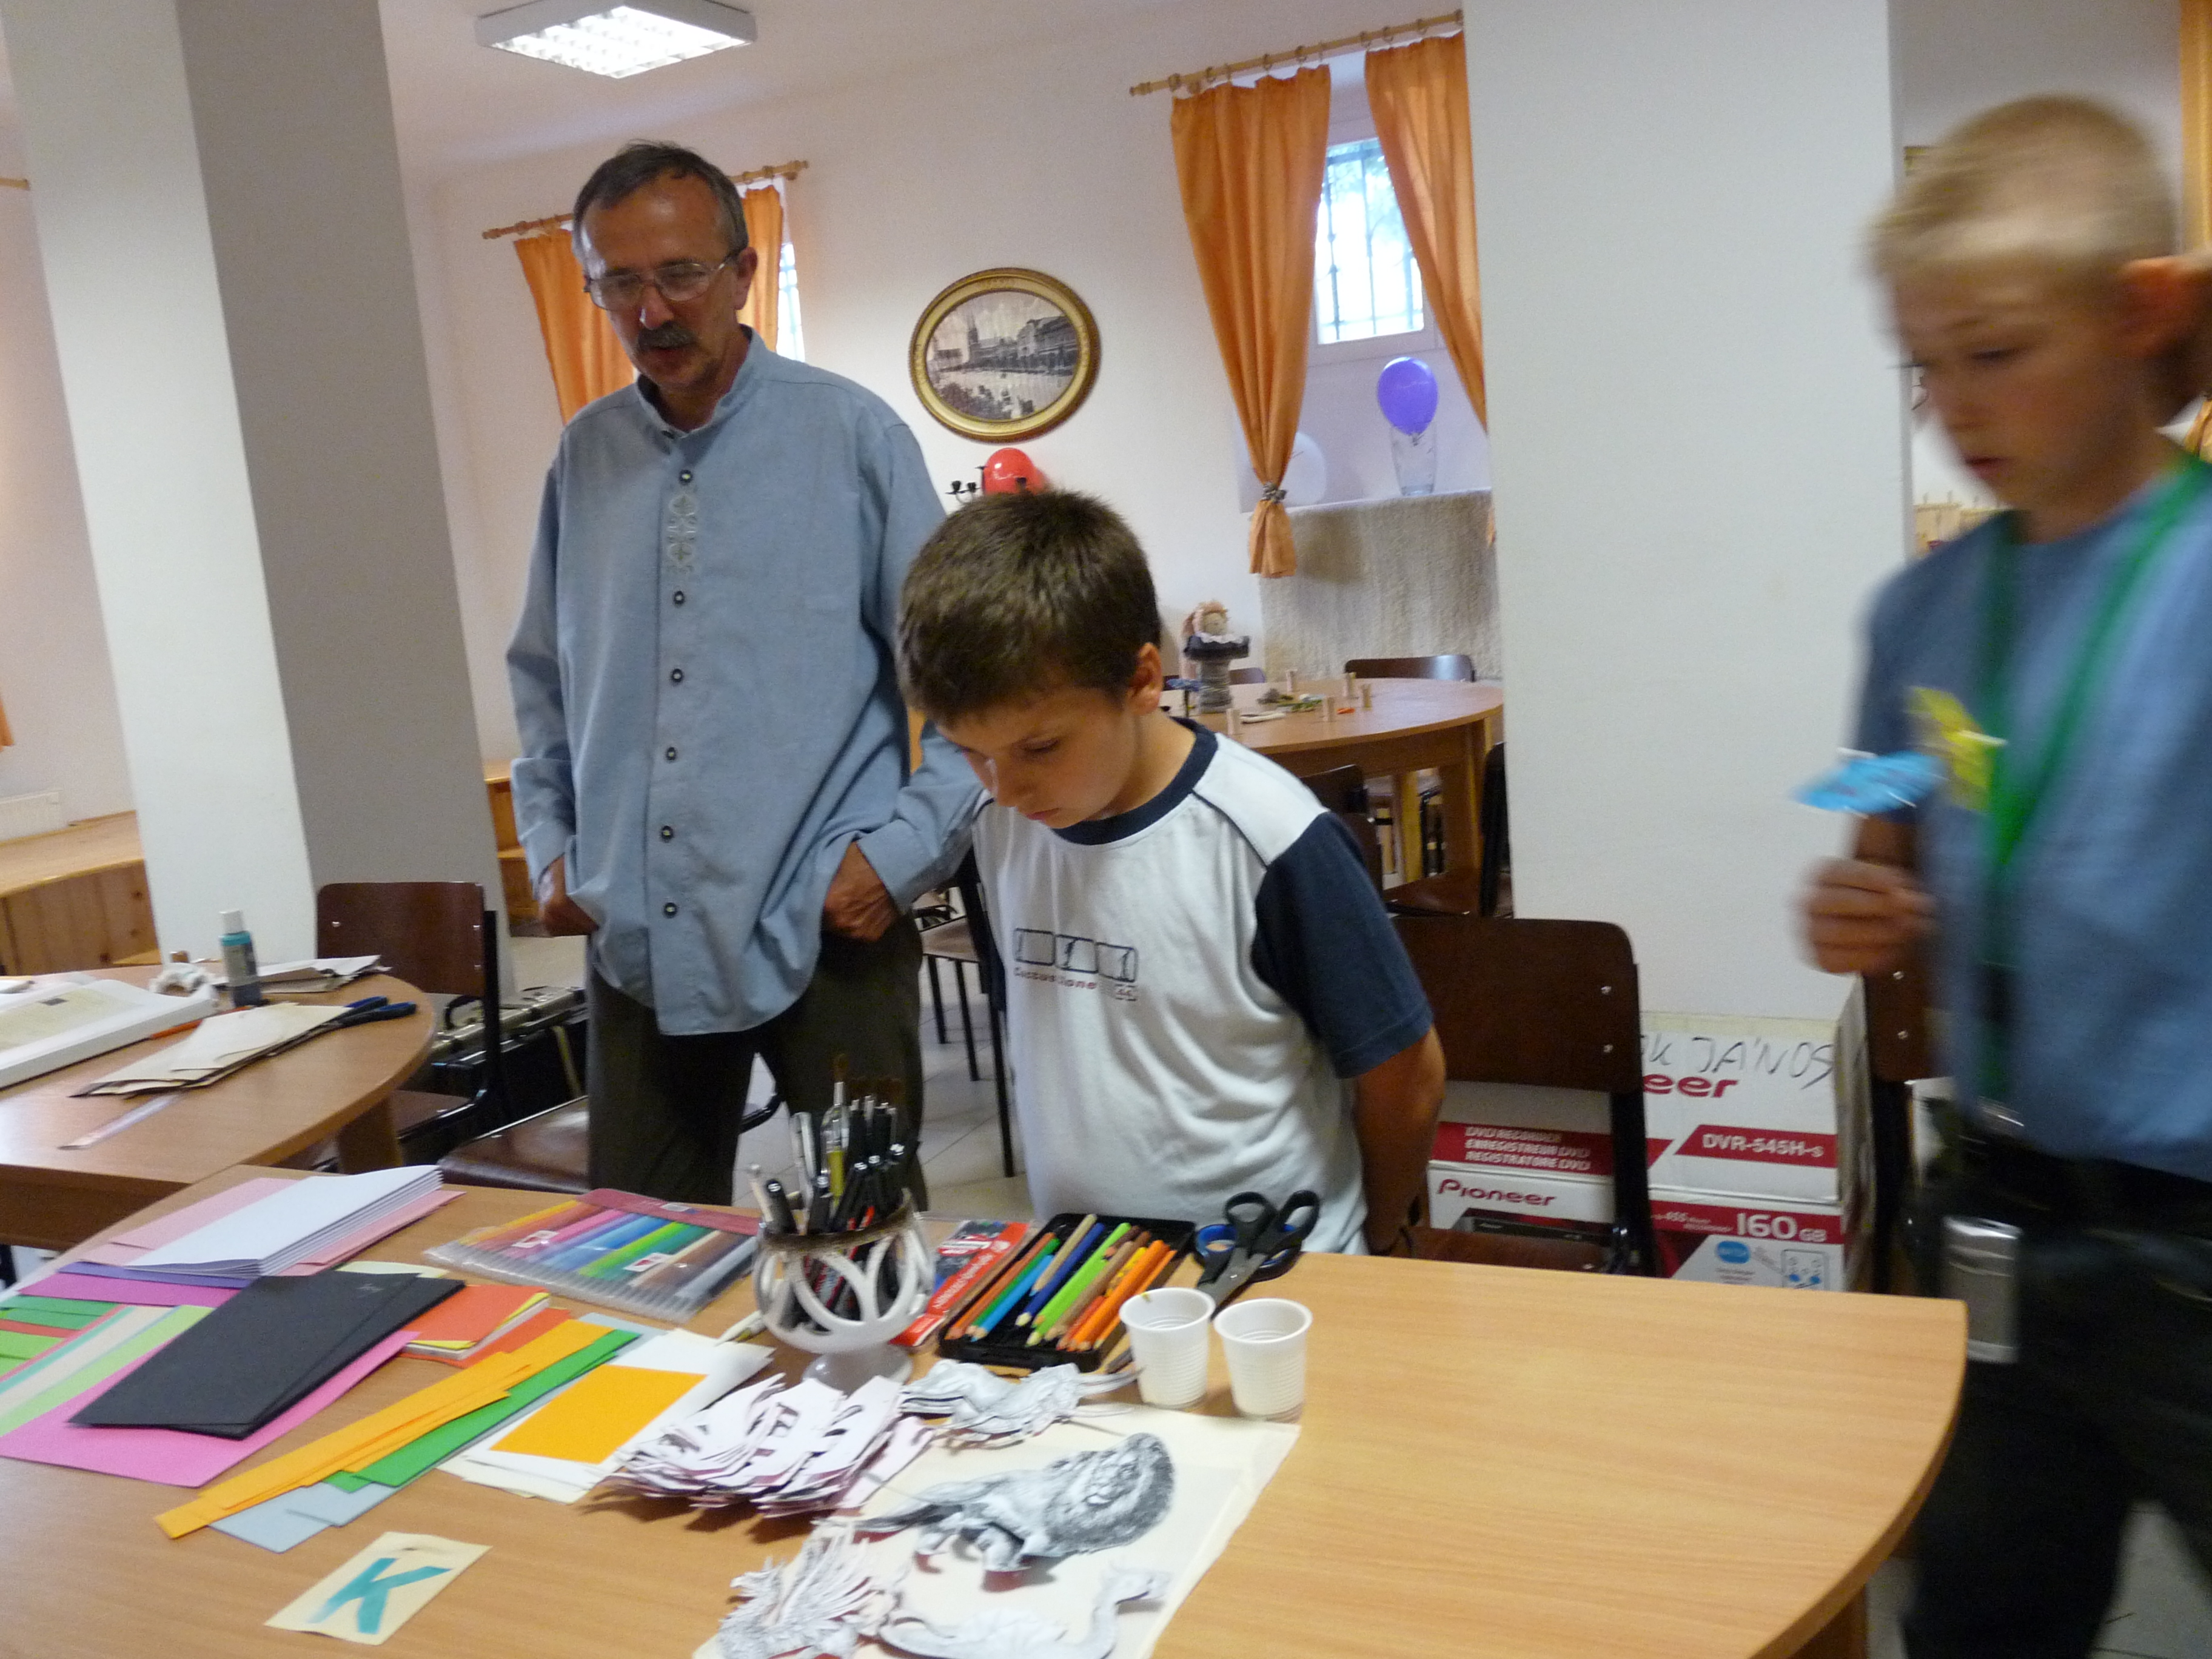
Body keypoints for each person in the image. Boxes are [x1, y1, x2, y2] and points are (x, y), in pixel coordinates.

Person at [1800, 98, 2212, 1658]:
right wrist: (1853, 898)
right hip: (1996, 1218)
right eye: (1923, 365)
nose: (1950, 406)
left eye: (1995, 351)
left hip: (2197, 1236)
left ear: (2139, 313)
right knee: (1978, 1617)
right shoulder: (1918, 612)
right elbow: (1877, 825)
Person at [508, 141, 973, 1204]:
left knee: (865, 1241)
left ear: (744, 273)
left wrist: (900, 856)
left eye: (680, 274)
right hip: (639, 929)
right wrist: (551, 845)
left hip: (829, 921)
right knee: (637, 1243)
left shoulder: (853, 436)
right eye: (618, 284)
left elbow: (966, 685)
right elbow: (542, 673)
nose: (652, 311)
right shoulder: (584, 457)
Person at [899, 489, 1444, 1254]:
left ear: (1142, 680)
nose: (1006, 787)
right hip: (1084, 1269)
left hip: (1274, 1272)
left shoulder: (1270, 837)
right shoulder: (999, 822)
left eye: (1040, 747)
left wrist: (1376, 1242)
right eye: (971, 752)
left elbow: (1407, 1078)